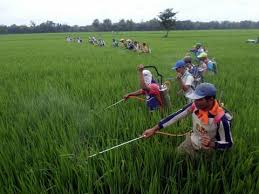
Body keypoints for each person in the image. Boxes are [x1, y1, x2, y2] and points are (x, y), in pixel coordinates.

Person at [142, 83, 233, 157]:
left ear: (210, 100)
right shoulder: (194, 106)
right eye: (195, 98)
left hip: (209, 149)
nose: (195, 101)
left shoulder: (221, 119)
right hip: (192, 140)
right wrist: (154, 129)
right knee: (176, 158)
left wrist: (212, 144)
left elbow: (228, 143)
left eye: (199, 99)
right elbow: (175, 116)